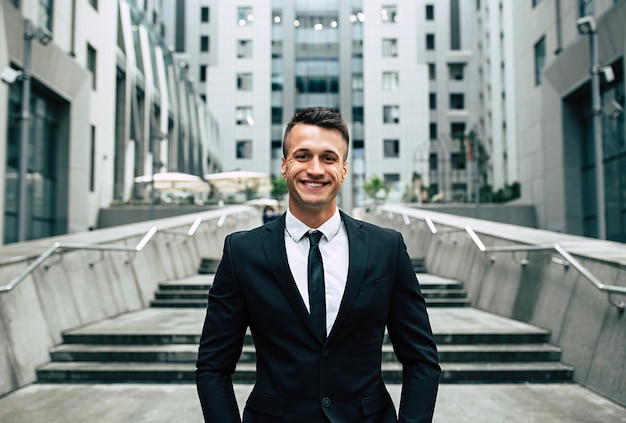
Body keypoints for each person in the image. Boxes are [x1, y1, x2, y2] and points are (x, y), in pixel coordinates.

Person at [196, 107, 440, 422]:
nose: (315, 169)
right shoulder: (242, 251)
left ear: (344, 169)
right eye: (302, 156)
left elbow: (422, 360)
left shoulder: (386, 248)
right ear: (284, 166)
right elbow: (213, 367)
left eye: (328, 158)